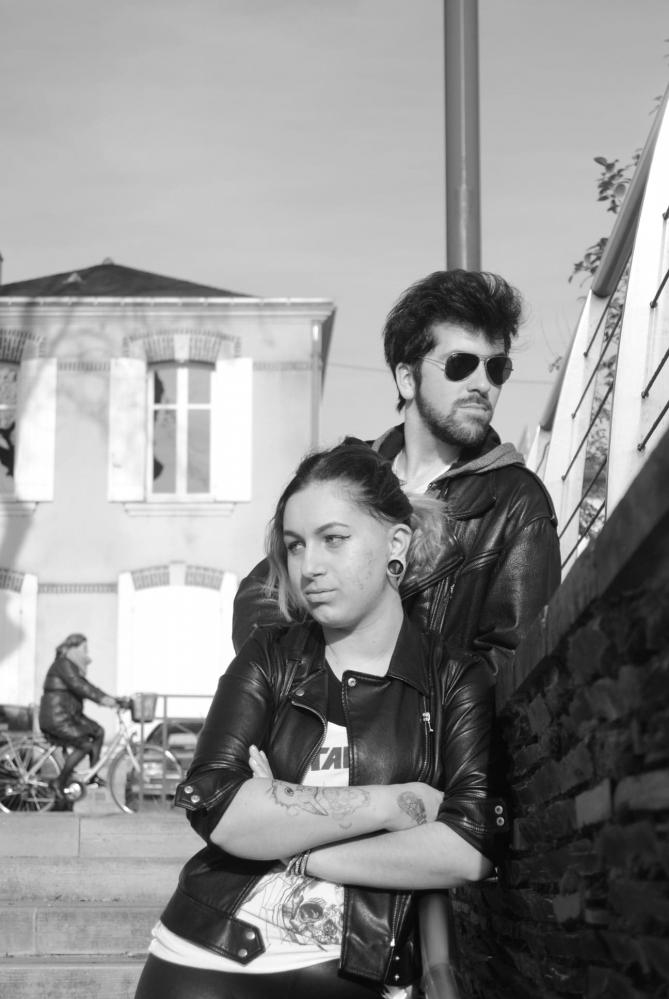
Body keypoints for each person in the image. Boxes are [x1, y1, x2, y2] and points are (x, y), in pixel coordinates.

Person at [134, 442, 504, 999]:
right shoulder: (270, 656)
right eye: (295, 546)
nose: (309, 567)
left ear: (396, 544)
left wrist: (293, 844)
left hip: (352, 968)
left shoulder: (453, 679)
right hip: (201, 952)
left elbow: (467, 849)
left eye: (333, 539)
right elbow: (219, 808)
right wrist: (393, 804)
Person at [232, 269, 561, 682]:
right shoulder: (347, 474)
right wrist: (316, 689)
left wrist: (386, 699)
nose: (482, 384)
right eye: (460, 364)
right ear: (407, 378)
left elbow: (513, 669)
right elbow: (261, 598)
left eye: (497, 368)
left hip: (429, 725)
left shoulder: (516, 503)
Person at [38, 633, 122, 804]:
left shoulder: (71, 665)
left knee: (98, 731)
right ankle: (59, 782)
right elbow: (80, 686)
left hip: (69, 715)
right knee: (84, 744)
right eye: (84, 648)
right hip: (57, 717)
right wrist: (104, 700)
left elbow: (87, 685)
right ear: (73, 648)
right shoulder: (63, 664)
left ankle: (93, 775)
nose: (86, 653)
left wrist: (111, 699)